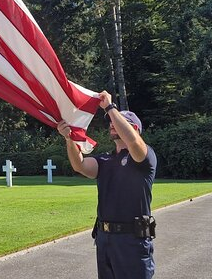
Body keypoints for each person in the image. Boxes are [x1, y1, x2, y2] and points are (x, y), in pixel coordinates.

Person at [57, 90, 157, 279]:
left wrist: (110, 108)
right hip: (105, 239)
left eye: (118, 121)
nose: (111, 123)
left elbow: (134, 143)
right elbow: (79, 165)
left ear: (134, 128)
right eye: (111, 121)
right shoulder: (104, 159)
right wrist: (69, 139)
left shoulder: (145, 156)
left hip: (132, 241)